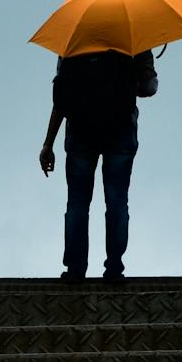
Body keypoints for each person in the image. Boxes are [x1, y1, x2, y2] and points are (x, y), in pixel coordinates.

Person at [39, 48, 158, 283]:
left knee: (77, 203)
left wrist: (48, 143)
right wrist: (125, 84)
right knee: (116, 201)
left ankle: (75, 270)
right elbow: (149, 88)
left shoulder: (75, 41)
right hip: (121, 131)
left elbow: (61, 98)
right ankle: (114, 269)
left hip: (81, 133)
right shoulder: (134, 38)